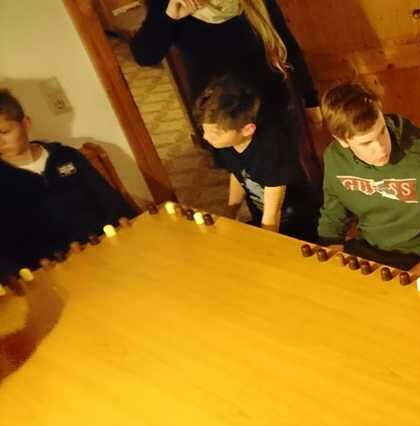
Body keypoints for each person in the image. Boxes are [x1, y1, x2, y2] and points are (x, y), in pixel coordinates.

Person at [316, 82, 420, 282]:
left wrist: (415, 276)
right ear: (342, 141)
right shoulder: (335, 158)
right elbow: (333, 218)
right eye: (366, 143)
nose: (381, 148)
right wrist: (333, 261)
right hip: (370, 250)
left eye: (382, 131)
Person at [0, 89, 137, 274]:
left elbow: (108, 198)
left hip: (105, 247)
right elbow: (9, 243)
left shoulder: (66, 156)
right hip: (56, 269)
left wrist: (125, 224)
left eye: (4, 132)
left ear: (25, 124)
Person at [131, 0, 319, 125]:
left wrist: (310, 98)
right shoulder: (169, 3)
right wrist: (169, 17)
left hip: (269, 109)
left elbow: (287, 45)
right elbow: (145, 56)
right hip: (220, 117)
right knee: (243, 174)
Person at [193, 76, 320, 241]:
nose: (206, 137)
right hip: (263, 217)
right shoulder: (224, 142)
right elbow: (238, 174)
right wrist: (230, 214)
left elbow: (272, 213)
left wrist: (265, 241)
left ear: (247, 129)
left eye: (215, 133)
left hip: (298, 221)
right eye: (204, 130)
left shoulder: (272, 148)